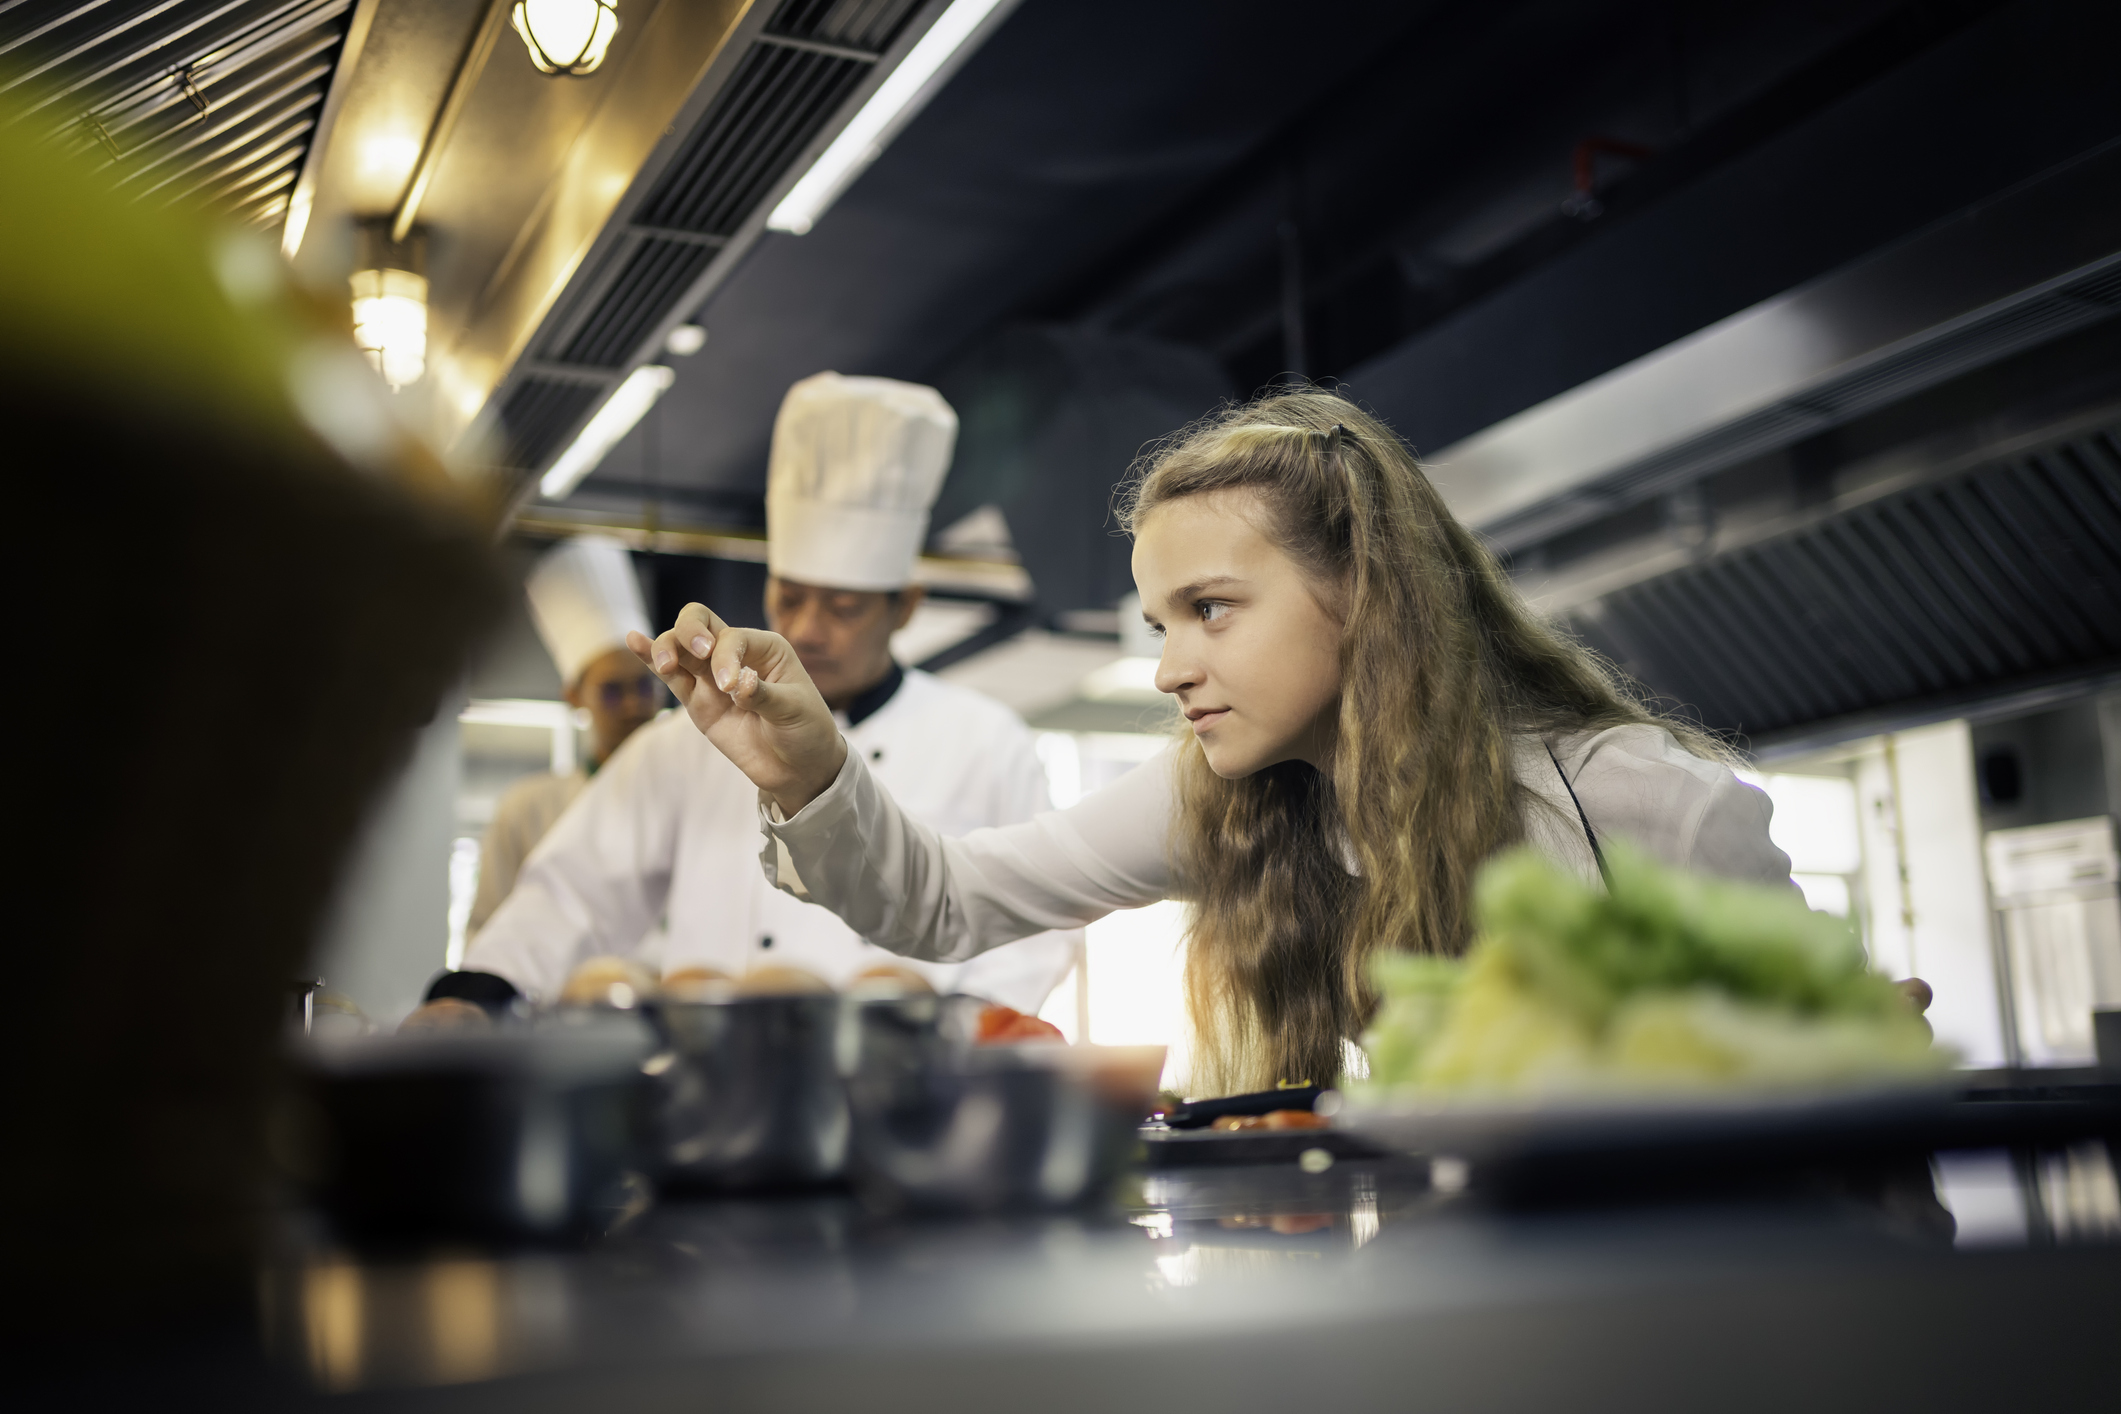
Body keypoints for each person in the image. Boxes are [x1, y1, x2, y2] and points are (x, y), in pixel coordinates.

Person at [632, 389, 1931, 1097]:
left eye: (1210, 610)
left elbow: (1855, 1130)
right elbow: (948, 895)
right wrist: (803, 762)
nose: (1167, 664)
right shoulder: (1221, 798)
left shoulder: (1649, 806)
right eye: (1159, 619)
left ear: (1364, 589)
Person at [445, 373, 1076, 1013]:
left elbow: (1031, 929)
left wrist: (952, 1017)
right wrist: (473, 993)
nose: (806, 629)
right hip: (712, 1082)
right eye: (790, 596)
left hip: (907, 1090)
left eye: (843, 607)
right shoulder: (689, 739)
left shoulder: (985, 740)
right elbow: (575, 890)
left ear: (904, 607)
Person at [466, 534, 664, 934]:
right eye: (612, 691)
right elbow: (486, 934)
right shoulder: (528, 810)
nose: (633, 705)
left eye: (644, 686)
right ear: (574, 697)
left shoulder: (686, 794)